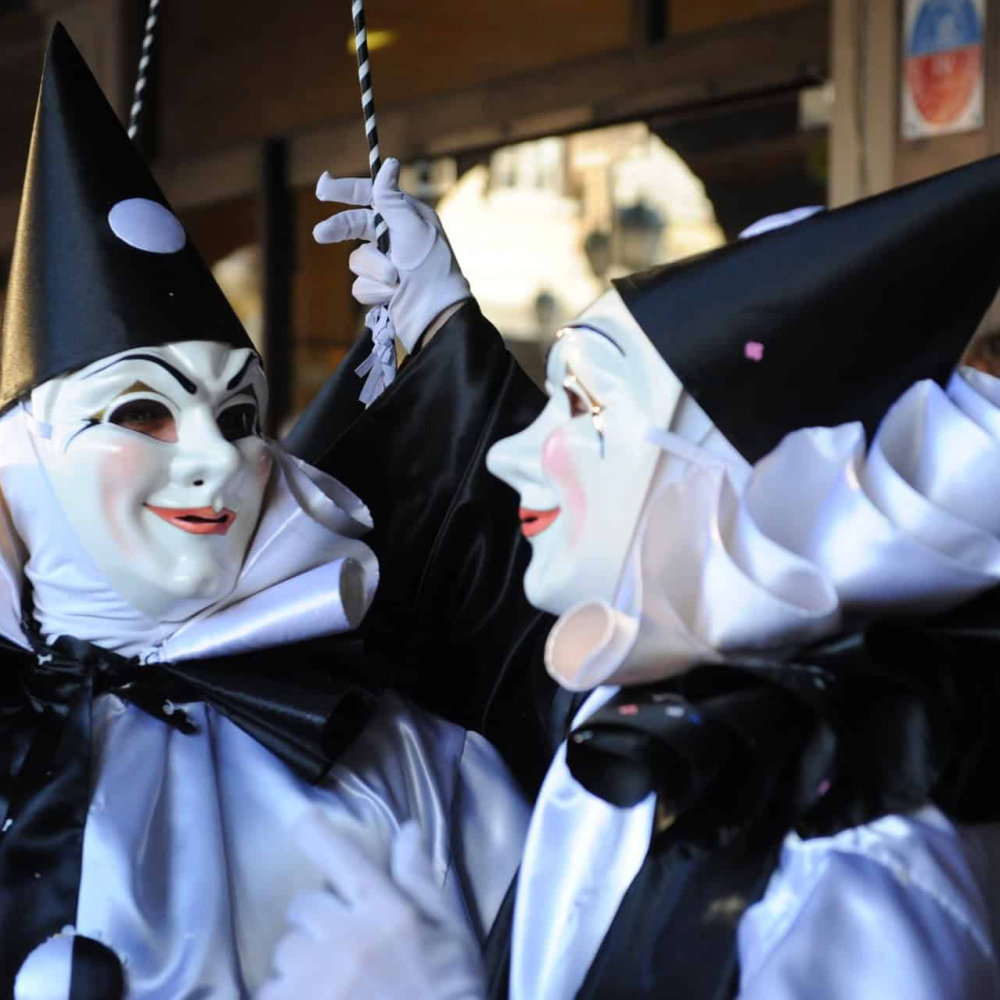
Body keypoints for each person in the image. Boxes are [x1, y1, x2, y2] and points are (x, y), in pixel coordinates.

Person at [264, 155, 1000, 997]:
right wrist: (438, 325)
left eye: (582, 404)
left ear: (752, 476)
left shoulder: (850, 859)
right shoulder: (625, 721)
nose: (508, 458)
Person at [0, 26, 530, 997]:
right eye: (140, 411)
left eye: (240, 415)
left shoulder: (411, 762)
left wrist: (448, 347)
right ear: (20, 464)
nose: (219, 458)